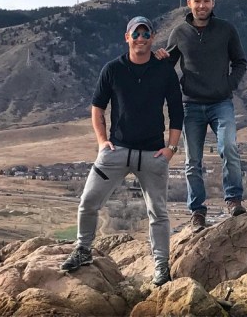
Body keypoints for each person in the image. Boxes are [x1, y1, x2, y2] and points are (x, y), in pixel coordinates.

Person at [60, 16, 183, 287]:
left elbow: (177, 111)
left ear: (152, 38)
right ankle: (83, 251)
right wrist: (102, 142)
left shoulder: (164, 70)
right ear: (126, 37)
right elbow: (97, 108)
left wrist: (171, 149)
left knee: (158, 213)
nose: (140, 38)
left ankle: (161, 267)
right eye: (135, 33)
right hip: (117, 152)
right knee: (88, 202)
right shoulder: (112, 69)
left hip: (152, 156)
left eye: (145, 33)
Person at [155, 0, 247, 233]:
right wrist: (160, 60)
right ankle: (197, 211)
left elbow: (240, 62)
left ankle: (234, 200)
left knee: (228, 147)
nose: (202, 5)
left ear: (213, 3)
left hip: (221, 103)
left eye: (206, 0)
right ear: (189, 4)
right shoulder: (180, 32)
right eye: (197, 1)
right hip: (191, 106)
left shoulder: (226, 30)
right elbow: (167, 67)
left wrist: (228, 84)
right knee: (192, 161)